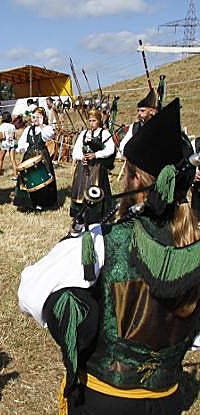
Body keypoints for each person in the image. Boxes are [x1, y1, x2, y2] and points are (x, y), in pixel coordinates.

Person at [18, 98, 200, 415]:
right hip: (168, 399)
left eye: (127, 171)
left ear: (135, 179)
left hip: (104, 399)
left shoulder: (103, 242)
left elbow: (31, 293)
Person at [70, 109, 115, 224]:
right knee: (80, 189)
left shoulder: (104, 133)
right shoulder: (84, 134)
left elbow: (110, 149)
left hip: (97, 167)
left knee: (97, 189)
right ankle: (80, 214)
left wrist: (96, 155)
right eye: (90, 121)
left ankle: (96, 215)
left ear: (99, 121)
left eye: (94, 120)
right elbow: (76, 149)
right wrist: (82, 157)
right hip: (83, 167)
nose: (91, 123)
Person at [14, 107, 58, 210]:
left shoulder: (46, 128)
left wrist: (42, 125)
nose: (35, 119)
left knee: (43, 178)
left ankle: (42, 202)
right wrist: (22, 148)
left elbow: (49, 136)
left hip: (42, 156)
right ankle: (28, 203)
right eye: (34, 117)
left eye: (38, 117)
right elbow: (22, 142)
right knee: (28, 178)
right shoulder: (28, 129)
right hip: (29, 156)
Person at [119, 88, 157, 155]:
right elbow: (123, 145)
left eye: (142, 111)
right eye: (138, 111)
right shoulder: (135, 126)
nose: (139, 113)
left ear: (151, 111)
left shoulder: (159, 125)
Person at [0, 111, 18, 179]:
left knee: (1, 159)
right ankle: (16, 175)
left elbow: (2, 136)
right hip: (12, 143)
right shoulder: (13, 126)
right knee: (13, 160)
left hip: (5, 143)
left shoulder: (2, 126)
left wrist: (0, 139)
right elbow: (14, 136)